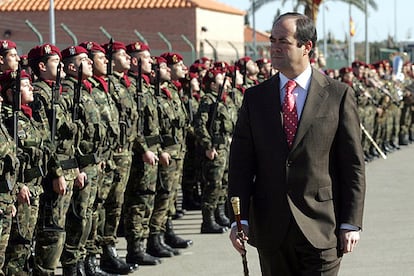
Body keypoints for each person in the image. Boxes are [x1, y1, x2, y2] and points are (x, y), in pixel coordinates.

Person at [228, 12, 366, 276]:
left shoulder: (337, 94)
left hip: (322, 226)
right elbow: (241, 163)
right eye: (273, 40)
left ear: (307, 47)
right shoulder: (256, 98)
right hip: (271, 229)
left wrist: (351, 222)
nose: (275, 47)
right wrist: (240, 217)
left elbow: (352, 165)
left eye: (284, 41)